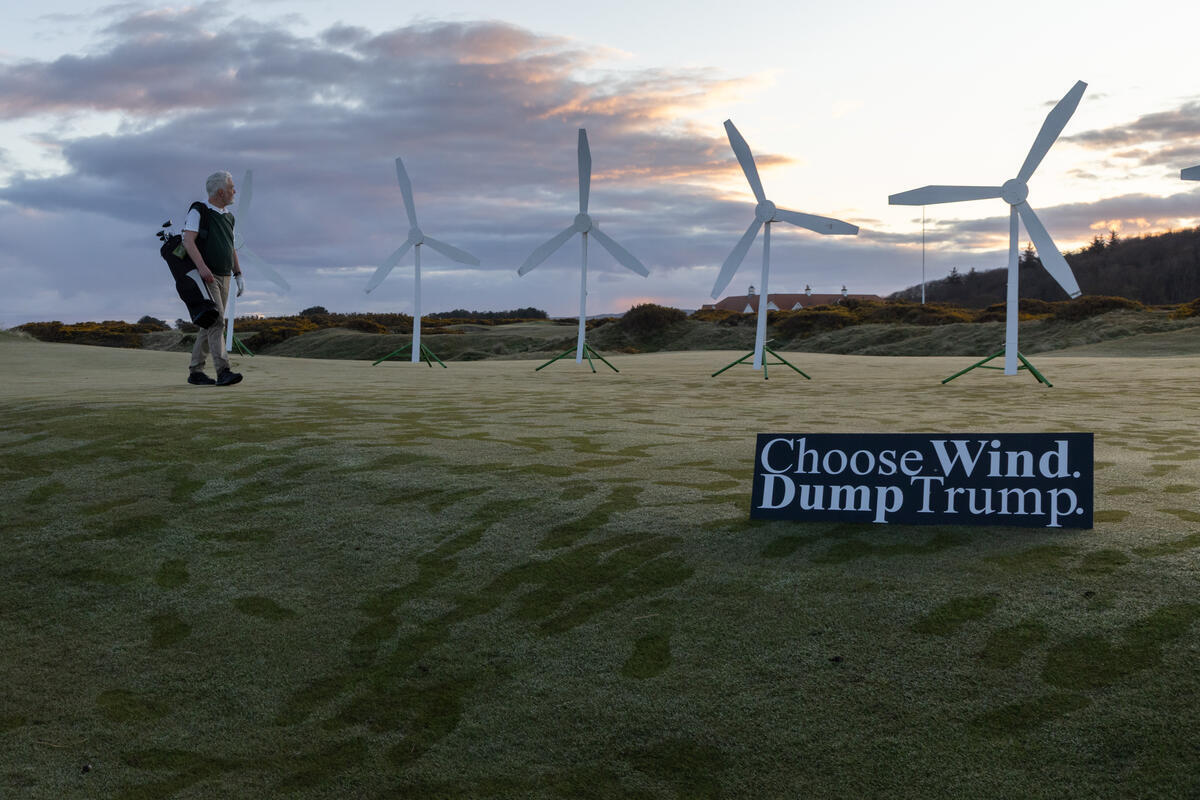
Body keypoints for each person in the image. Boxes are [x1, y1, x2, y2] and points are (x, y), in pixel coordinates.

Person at [183, 171, 244, 386]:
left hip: (225, 276)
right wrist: (202, 268)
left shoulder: (229, 217)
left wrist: (238, 273)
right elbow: (188, 241)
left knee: (209, 324)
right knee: (217, 321)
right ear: (220, 192)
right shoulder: (199, 211)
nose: (234, 191)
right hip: (207, 277)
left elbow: (230, 246)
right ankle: (223, 371)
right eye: (231, 187)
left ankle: (196, 371)